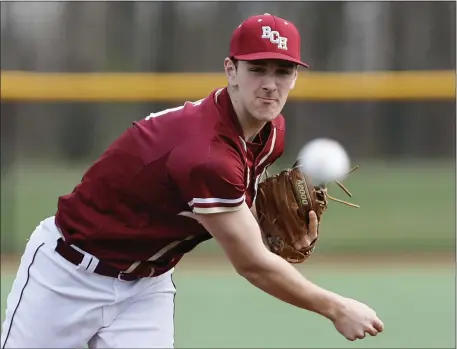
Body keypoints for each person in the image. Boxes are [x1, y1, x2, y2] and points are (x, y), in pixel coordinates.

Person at [1, 13, 383, 348]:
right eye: (257, 69)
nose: (270, 84)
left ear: (296, 77)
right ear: (231, 71)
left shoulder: (271, 133)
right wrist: (336, 308)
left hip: (145, 288)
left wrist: (270, 238)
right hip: (68, 274)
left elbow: (239, 214)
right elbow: (252, 264)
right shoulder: (205, 156)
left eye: (282, 71)